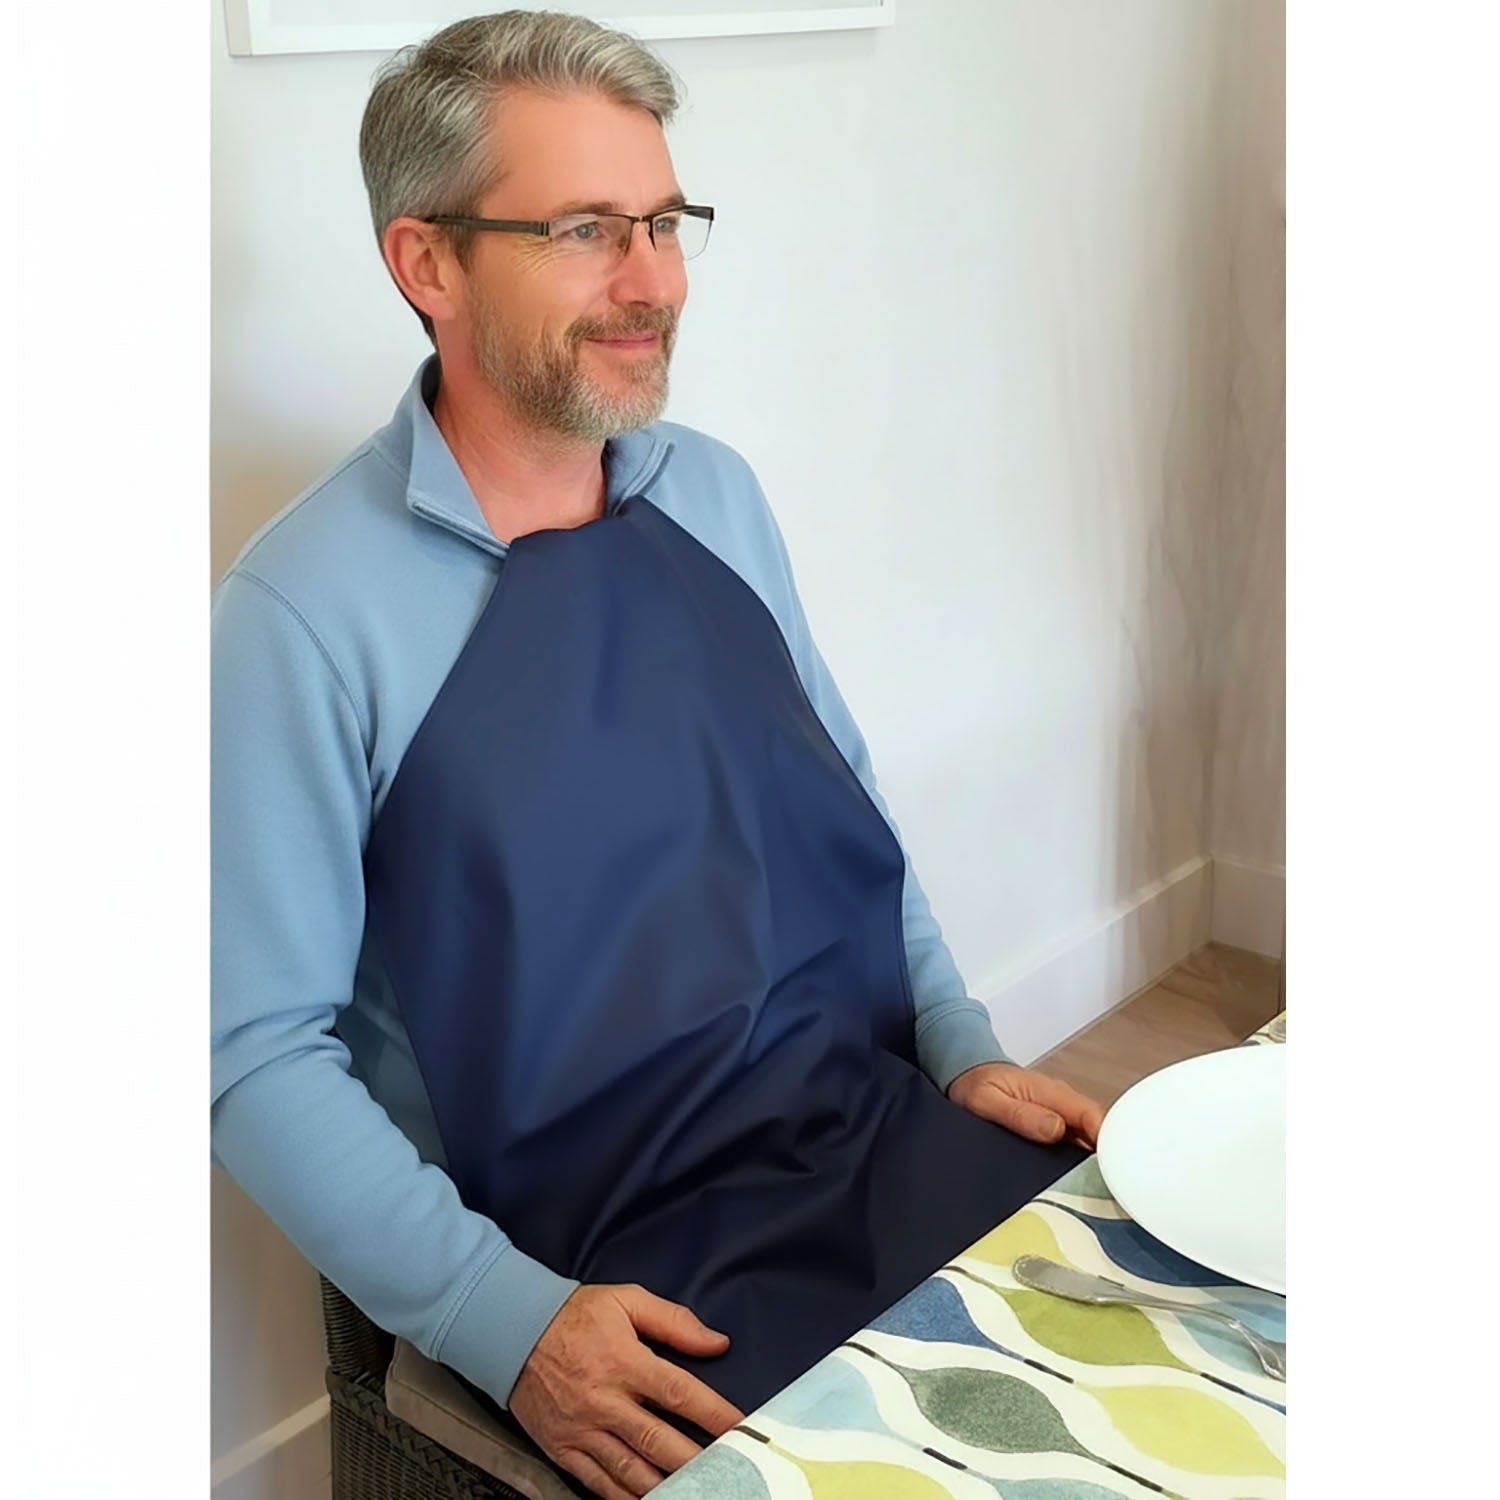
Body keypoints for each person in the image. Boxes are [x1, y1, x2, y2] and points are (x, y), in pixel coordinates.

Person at [211, 12, 1105, 1499]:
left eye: (663, 221)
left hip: (861, 1128)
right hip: (611, 1259)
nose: (653, 282)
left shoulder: (718, 495)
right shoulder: (300, 615)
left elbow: (848, 815)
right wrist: (505, 1325)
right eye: (582, 230)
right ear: (426, 263)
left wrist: (960, 1045)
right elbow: (250, 1057)